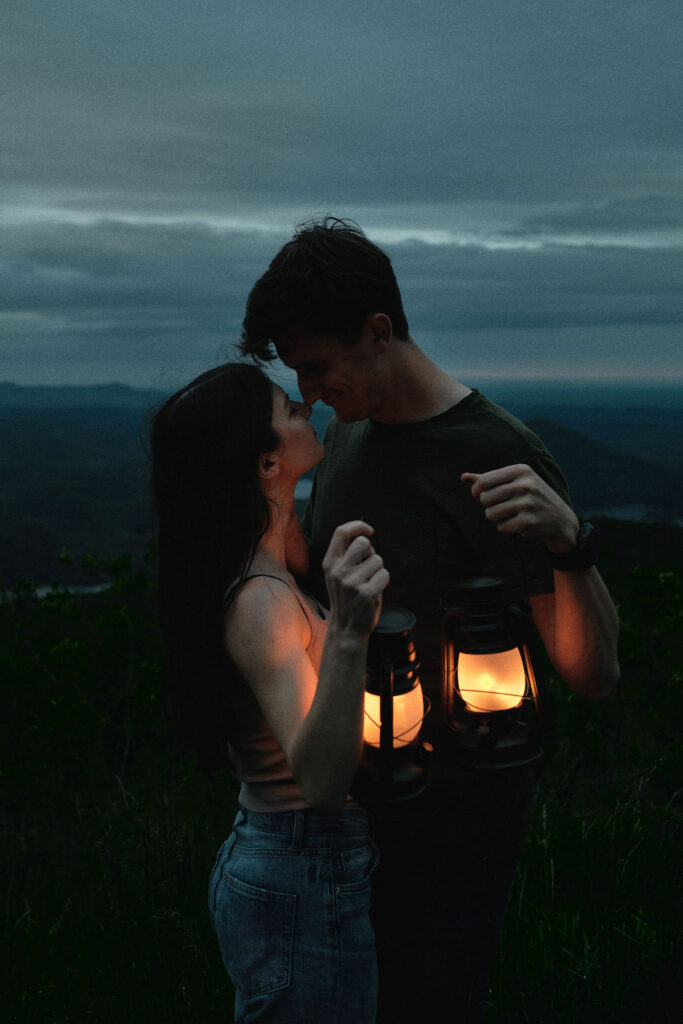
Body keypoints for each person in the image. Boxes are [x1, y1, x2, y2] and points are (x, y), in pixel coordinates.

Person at [239, 218, 621, 1022]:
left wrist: (569, 547)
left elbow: (591, 676)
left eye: (317, 366)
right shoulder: (346, 432)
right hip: (346, 835)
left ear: (378, 332)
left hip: (453, 845)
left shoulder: (492, 451)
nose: (308, 393)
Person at [150, 362, 389, 1023]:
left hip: (300, 864)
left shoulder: (272, 568)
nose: (305, 411)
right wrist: (347, 629)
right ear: (264, 464)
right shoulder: (260, 601)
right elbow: (317, 778)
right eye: (288, 409)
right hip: (301, 866)